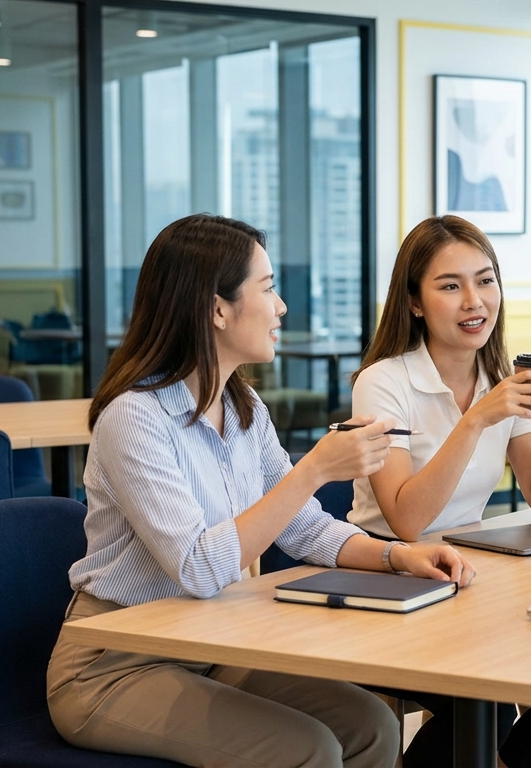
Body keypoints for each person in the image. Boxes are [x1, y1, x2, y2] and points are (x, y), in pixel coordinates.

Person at [46, 213, 475, 768]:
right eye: (268, 289)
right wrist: (314, 470)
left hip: (210, 646)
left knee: (370, 725)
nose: (281, 308)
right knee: (309, 749)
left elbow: (304, 527)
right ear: (217, 308)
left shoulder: (243, 409)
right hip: (114, 664)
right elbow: (199, 568)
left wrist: (399, 557)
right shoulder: (135, 418)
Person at [349, 215, 531, 768]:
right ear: (415, 302)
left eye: (485, 280)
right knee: (488, 704)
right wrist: (472, 421)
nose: (475, 301)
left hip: (466, 577)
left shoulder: (497, 379)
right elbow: (406, 520)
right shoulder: (383, 381)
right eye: (451, 286)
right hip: (388, 575)